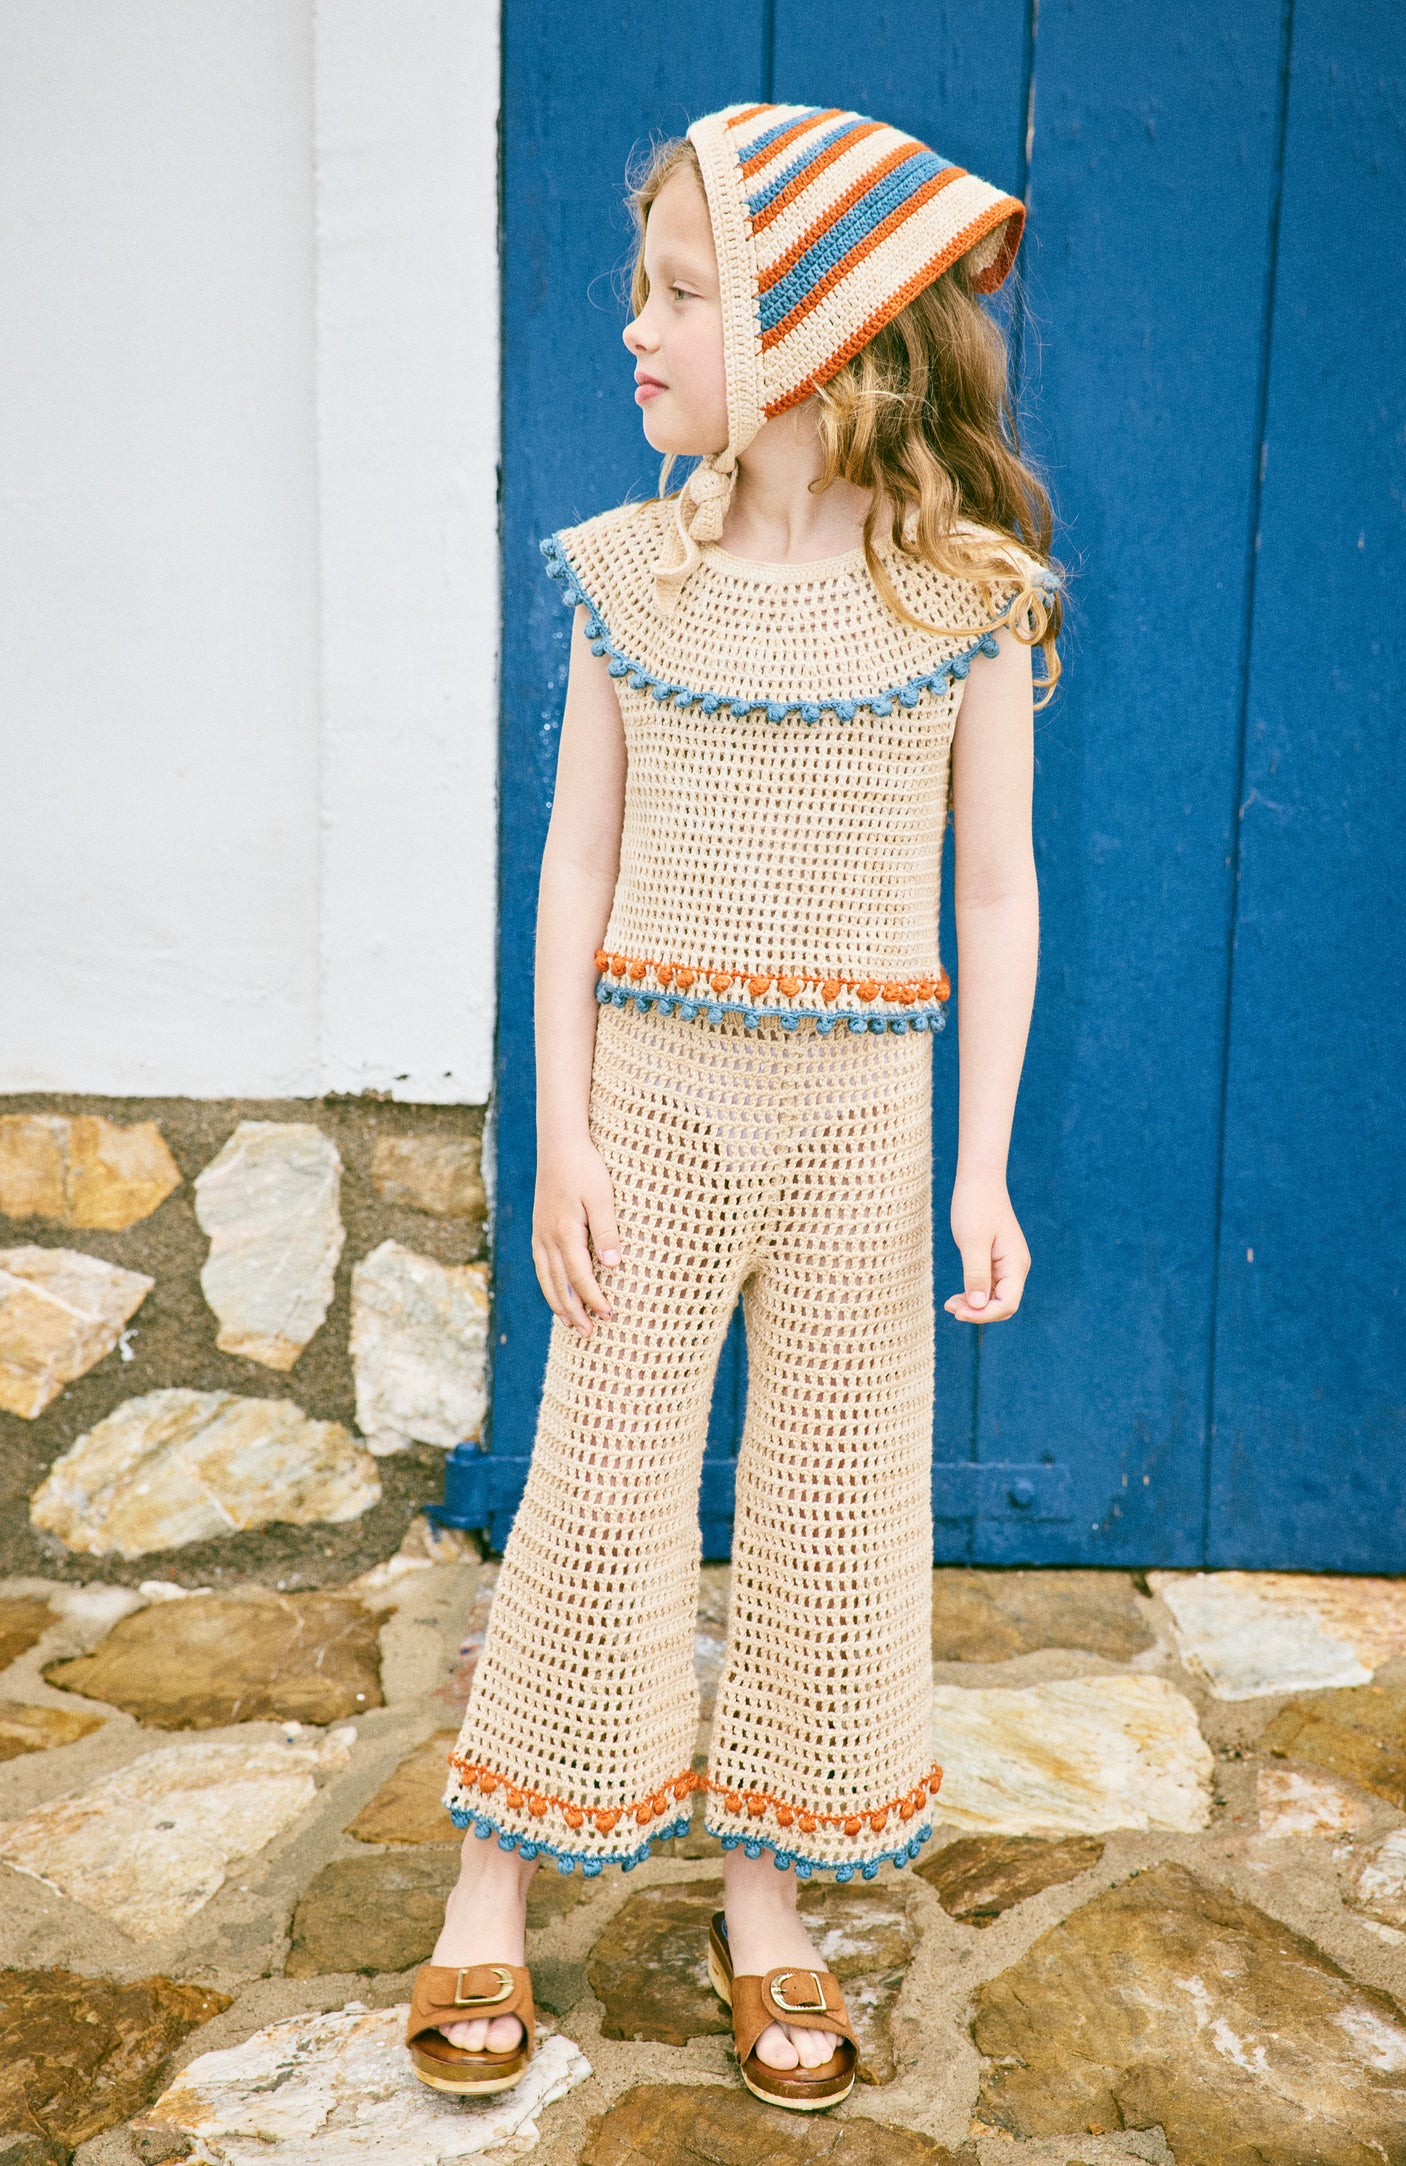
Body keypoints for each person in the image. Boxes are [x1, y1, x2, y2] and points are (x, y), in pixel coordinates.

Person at [406, 100, 1062, 2113]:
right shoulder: (633, 583)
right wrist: (568, 1133)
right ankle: (489, 1886)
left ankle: (765, 1900)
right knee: (599, 1478)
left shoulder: (962, 602)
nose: (639, 329)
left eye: (684, 294)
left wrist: (981, 1162)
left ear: (822, 336)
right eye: (644, 292)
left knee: (835, 1505)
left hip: (865, 1122)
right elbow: (576, 869)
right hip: (659, 1113)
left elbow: (994, 890)